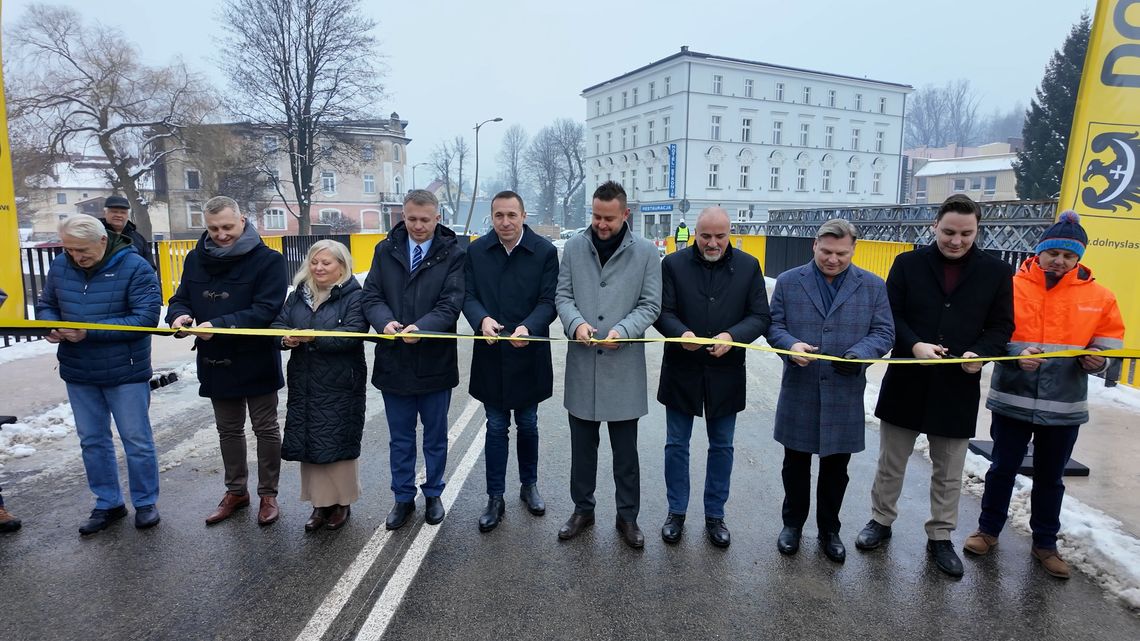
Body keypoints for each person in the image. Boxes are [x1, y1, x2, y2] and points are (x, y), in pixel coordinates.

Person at [856, 194, 1014, 577]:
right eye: (948, 231)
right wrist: (913, 345)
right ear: (934, 226)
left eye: (965, 233)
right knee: (891, 463)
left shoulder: (996, 272)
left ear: (977, 230)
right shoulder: (908, 263)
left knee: (949, 470)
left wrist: (980, 353)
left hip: (958, 384)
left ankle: (940, 536)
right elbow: (890, 313)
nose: (956, 240)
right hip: (908, 377)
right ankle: (881, 520)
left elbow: (1002, 326)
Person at [965, 211, 1125, 580]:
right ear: (1039, 252)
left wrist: (1095, 360)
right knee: (1002, 468)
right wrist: (1013, 354)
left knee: (1051, 477)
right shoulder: (1011, 286)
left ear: (1079, 258)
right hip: (1013, 398)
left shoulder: (1100, 297)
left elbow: (1108, 345)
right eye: (1054, 253)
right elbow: (992, 333)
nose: (1060, 261)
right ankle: (987, 531)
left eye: (1069, 255)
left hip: (1064, 404)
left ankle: (1045, 544)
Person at [766, 218, 894, 563]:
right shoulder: (790, 282)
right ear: (815, 246)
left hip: (843, 390)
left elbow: (884, 333)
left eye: (841, 253)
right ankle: (791, 525)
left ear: (853, 249)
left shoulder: (872, 286)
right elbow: (774, 326)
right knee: (794, 464)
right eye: (826, 251)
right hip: (800, 387)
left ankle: (829, 530)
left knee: (836, 469)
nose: (833, 259)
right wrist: (790, 345)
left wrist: (860, 355)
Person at [36, 214, 162, 535]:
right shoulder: (61, 266)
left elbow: (146, 319)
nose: (76, 257)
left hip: (126, 370)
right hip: (79, 370)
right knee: (92, 440)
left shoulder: (136, 267)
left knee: (136, 439)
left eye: (82, 250)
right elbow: (47, 303)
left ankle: (145, 502)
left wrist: (88, 332)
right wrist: (51, 323)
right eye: (69, 250)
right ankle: (108, 502)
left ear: (103, 240)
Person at [167, 196, 288, 527]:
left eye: (227, 227)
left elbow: (267, 309)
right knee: (228, 429)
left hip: (255, 356)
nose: (220, 234)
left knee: (265, 427)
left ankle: (268, 494)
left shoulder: (269, 260)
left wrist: (219, 326)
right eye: (213, 228)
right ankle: (236, 492)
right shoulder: (195, 258)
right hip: (215, 359)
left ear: (243, 221)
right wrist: (178, 315)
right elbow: (180, 297)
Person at [654, 206, 770, 548]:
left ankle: (715, 515)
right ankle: (676, 512)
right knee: (677, 445)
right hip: (682, 367)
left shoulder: (748, 267)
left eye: (720, 236)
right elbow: (662, 311)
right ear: (694, 233)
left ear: (729, 233)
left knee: (722, 446)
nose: (713, 243)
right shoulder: (673, 264)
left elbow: (760, 315)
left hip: (726, 371)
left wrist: (732, 337)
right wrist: (681, 333)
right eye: (705, 236)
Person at [555, 181, 662, 549]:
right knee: (582, 451)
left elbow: (650, 305)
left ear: (625, 214)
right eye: (597, 216)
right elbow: (563, 296)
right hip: (583, 365)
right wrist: (576, 324)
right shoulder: (573, 247)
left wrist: (622, 329)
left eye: (609, 219)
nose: (601, 224)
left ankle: (627, 516)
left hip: (623, 366)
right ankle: (582, 510)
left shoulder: (647, 252)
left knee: (625, 454)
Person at [362, 189, 465, 530]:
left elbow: (452, 303)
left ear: (438, 218)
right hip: (394, 358)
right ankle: (403, 497)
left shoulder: (453, 253)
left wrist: (423, 327)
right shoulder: (385, 250)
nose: (418, 226)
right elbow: (371, 295)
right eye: (411, 219)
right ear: (402, 217)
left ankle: (433, 493)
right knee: (401, 437)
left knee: (435, 435)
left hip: (435, 359)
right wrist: (384, 322)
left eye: (425, 219)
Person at [463, 190, 558, 533]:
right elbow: (468, 295)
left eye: (511, 215)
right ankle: (495, 496)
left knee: (529, 423)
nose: (505, 222)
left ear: (523, 215)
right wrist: (481, 319)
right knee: (496, 426)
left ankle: (529, 485)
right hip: (491, 354)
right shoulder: (476, 250)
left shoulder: (544, 251)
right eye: (499, 215)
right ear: (492, 217)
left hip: (528, 352)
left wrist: (529, 327)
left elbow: (550, 301)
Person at [272, 240, 367, 532]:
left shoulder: (354, 296)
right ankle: (318, 504)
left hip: (340, 382)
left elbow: (353, 334)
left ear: (342, 265)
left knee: (337, 441)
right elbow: (277, 326)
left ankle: (341, 503)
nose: (319, 268)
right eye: (314, 262)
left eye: (326, 262)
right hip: (305, 380)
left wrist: (315, 337)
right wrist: (284, 339)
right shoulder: (298, 295)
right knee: (310, 441)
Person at [100, 195, 155, 269]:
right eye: (114, 211)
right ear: (105, 213)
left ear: (127, 216)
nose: (119, 215)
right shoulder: (95, 235)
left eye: (123, 212)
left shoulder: (138, 239)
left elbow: (149, 267)